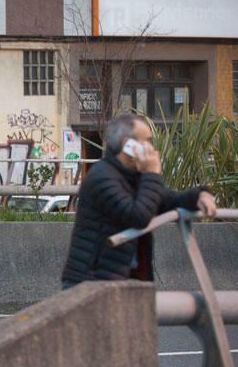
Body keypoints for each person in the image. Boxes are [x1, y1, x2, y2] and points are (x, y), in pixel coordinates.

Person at [61, 114, 217, 289]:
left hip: (123, 279)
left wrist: (201, 195)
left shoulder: (132, 176)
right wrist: (152, 173)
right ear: (128, 144)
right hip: (91, 281)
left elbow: (168, 201)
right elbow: (138, 216)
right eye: (147, 141)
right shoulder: (101, 177)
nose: (151, 148)